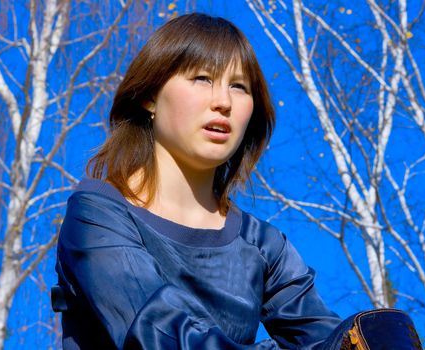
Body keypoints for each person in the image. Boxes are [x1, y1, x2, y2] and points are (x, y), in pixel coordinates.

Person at [52, 12, 355, 349]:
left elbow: (331, 341)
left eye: (239, 86)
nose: (223, 102)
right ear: (150, 95)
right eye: (201, 78)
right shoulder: (97, 215)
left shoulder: (263, 246)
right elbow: (160, 335)